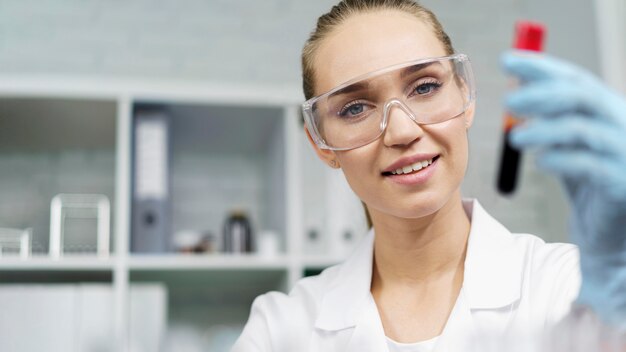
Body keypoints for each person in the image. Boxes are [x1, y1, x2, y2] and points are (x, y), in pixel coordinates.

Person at [233, 0, 626, 351]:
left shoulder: (568, 286)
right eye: (355, 108)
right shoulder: (281, 327)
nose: (402, 131)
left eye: (425, 86)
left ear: (464, 98)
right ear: (321, 144)